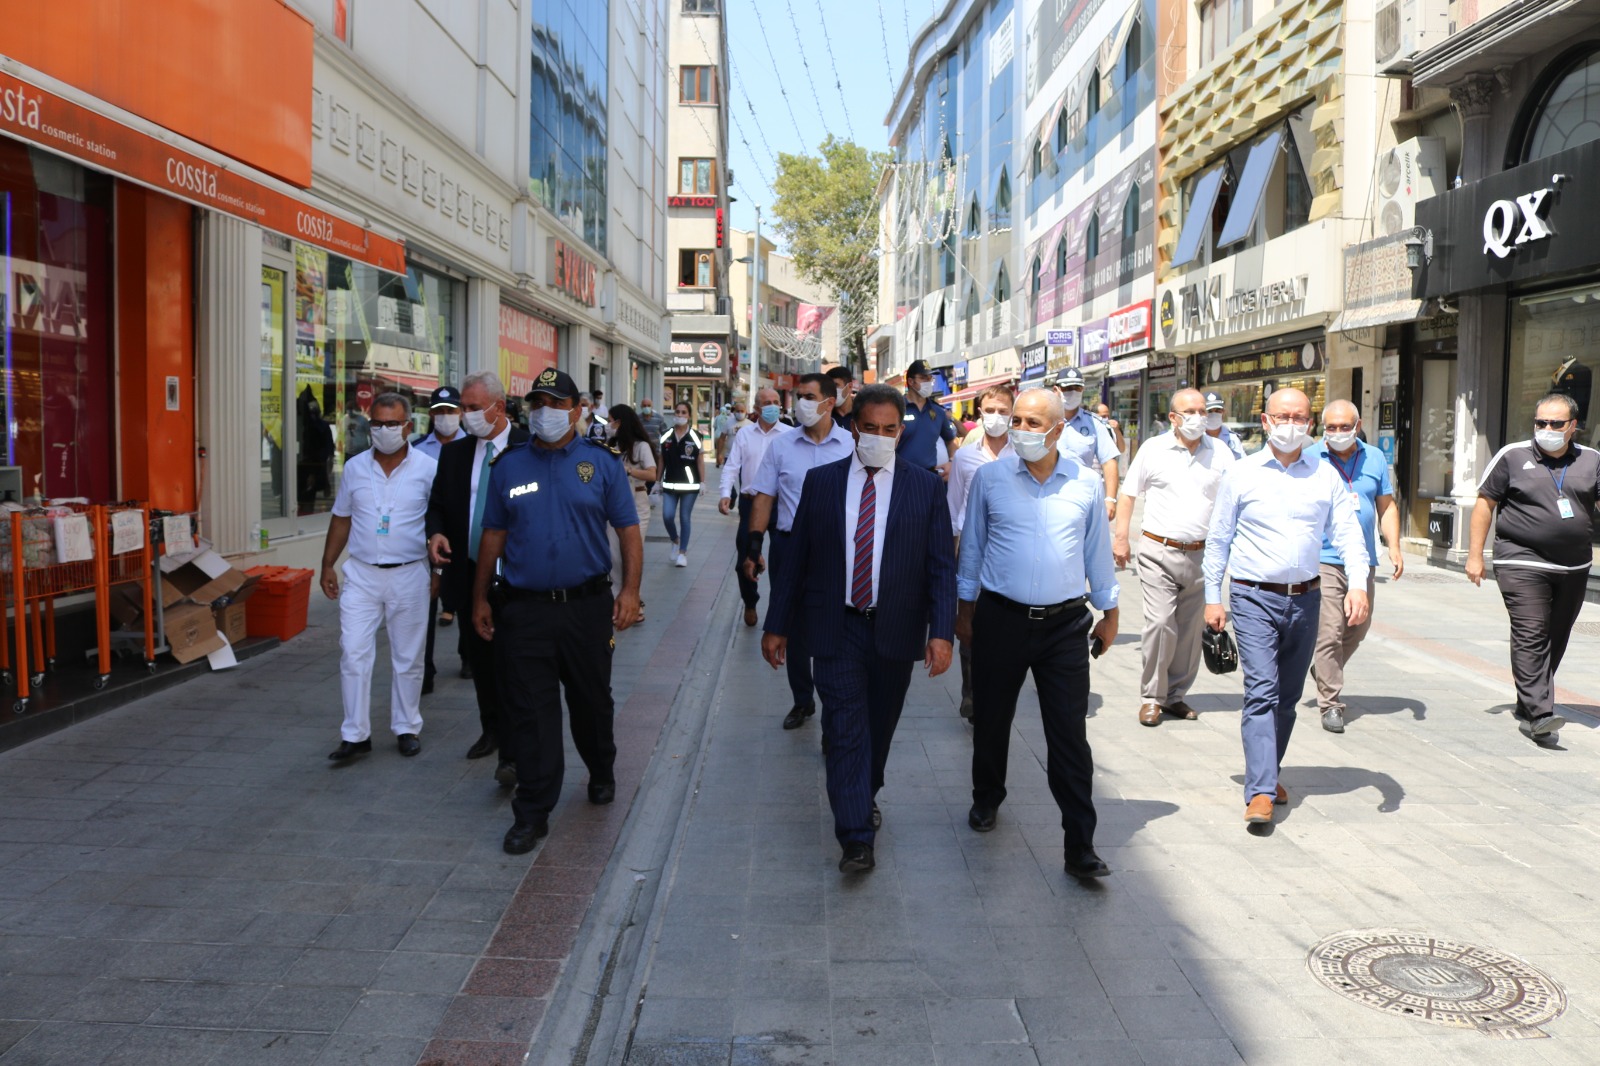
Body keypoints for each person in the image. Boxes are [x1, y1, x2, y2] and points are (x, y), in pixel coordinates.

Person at [762, 384, 955, 872]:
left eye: (890, 430)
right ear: (853, 428)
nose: (879, 437)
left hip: (896, 627)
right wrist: (777, 624)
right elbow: (796, 560)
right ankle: (855, 837)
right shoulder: (822, 482)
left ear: (900, 433)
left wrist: (941, 633)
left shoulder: (925, 488)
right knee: (845, 727)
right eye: (870, 428)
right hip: (836, 626)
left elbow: (940, 568)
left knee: (879, 727)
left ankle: (865, 792)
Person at [473, 368, 641, 854]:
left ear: (577, 410)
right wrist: (479, 597)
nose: (544, 411)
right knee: (532, 713)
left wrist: (631, 591)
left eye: (555, 403)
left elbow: (628, 530)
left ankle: (601, 767)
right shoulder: (508, 465)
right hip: (524, 612)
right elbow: (493, 535)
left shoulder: (601, 463)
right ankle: (532, 811)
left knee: (592, 703)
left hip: (586, 608)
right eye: (537, 403)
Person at [957, 387, 1121, 879]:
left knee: (1069, 736)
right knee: (991, 719)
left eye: (1033, 423)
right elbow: (973, 546)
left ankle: (1080, 845)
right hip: (1000, 618)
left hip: (1064, 626)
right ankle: (987, 796)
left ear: (1058, 429)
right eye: (1018, 421)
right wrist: (964, 609)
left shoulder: (1086, 483)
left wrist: (1109, 611)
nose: (1022, 430)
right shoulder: (990, 479)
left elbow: (1097, 551)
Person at [1202, 388, 1369, 826]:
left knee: (1289, 698)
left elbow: (1348, 532)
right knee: (1262, 690)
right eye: (1282, 416)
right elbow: (1218, 539)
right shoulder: (1242, 473)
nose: (1291, 424)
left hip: (1307, 599)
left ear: (1309, 424)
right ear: (1265, 421)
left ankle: (1268, 769)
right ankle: (1259, 791)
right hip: (1253, 596)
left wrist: (1358, 584)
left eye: (1299, 417)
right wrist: (1212, 597)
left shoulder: (1325, 475)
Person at [1466, 393, 1600, 742]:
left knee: (1556, 634)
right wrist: (1475, 555)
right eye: (1541, 422)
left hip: (1574, 565)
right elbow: (1484, 504)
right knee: (1531, 631)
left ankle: (1529, 698)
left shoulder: (1591, 460)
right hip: (1520, 559)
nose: (1547, 429)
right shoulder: (1512, 456)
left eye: (1556, 423)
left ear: (1573, 426)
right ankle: (1540, 714)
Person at [321, 392, 436, 762]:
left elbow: (439, 523)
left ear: (408, 426)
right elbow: (341, 517)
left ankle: (406, 727)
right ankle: (355, 734)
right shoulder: (355, 467)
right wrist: (327, 564)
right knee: (353, 652)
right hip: (362, 574)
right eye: (377, 424)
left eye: (392, 424)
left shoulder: (427, 468)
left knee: (409, 657)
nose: (384, 430)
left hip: (409, 573)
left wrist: (438, 571)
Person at [425, 372, 529, 785]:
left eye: (471, 408)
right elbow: (437, 504)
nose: (464, 415)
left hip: (518, 573)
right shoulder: (455, 454)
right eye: (462, 408)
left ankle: (516, 751)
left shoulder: (528, 447)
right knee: (481, 659)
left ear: (498, 407)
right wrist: (435, 532)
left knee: (515, 662)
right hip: (469, 573)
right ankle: (492, 729)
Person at [1112, 388, 1235, 727]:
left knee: (1190, 631)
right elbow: (1128, 494)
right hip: (1158, 551)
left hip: (1202, 555)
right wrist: (1121, 538)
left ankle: (1175, 695)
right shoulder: (1153, 449)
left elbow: (1234, 500)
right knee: (1161, 623)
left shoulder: (1221, 452)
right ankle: (1152, 697)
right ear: (1173, 418)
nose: (1199, 417)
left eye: (1203, 411)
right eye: (1190, 411)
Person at [746, 373, 855, 730]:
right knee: (789, 621)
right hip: (789, 545)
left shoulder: (850, 445)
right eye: (798, 396)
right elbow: (765, 496)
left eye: (808, 396)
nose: (800, 403)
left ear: (829, 402)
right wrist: (754, 544)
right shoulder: (782, 446)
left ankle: (833, 705)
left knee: (831, 624)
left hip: (835, 549)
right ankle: (802, 699)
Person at [1307, 400, 1404, 734]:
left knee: (1358, 626)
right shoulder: (1310, 457)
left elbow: (1386, 506)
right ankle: (1330, 703)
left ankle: (1324, 669)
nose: (1337, 433)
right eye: (1330, 427)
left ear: (1358, 426)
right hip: (1323, 557)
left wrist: (1394, 546)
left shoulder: (1374, 457)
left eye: (1344, 427)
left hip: (1362, 559)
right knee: (1330, 630)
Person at [945, 384, 1015, 720]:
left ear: (1012, 414)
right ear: (980, 412)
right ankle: (970, 693)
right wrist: (951, 555)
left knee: (1005, 624)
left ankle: (997, 690)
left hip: (1010, 552)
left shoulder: (1022, 455)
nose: (996, 416)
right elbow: (954, 507)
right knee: (968, 620)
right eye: (990, 410)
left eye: (1003, 410)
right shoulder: (964, 457)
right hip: (972, 551)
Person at [721, 387, 795, 627]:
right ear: (756, 408)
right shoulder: (744, 434)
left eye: (776, 401)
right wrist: (725, 494)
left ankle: (779, 610)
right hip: (750, 504)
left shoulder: (790, 435)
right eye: (767, 402)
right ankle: (750, 601)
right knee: (745, 557)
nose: (773, 406)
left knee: (782, 560)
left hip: (780, 505)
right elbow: (732, 466)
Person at [413, 385, 465, 688]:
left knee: (466, 598)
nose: (445, 416)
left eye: (451, 411)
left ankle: (469, 657)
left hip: (463, 534)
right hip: (429, 535)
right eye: (439, 411)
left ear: (461, 413)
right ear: (431, 415)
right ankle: (425, 671)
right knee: (426, 603)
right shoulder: (417, 449)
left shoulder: (474, 446)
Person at [1051, 369, 1120, 520]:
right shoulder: (1044, 420)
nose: (1073, 392)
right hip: (1047, 496)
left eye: (1077, 388)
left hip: (1082, 498)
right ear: (1056, 390)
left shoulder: (1095, 424)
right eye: (1067, 388)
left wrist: (1110, 499)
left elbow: (1109, 461)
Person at [659, 401, 705, 568]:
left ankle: (682, 553)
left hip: (689, 486)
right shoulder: (665, 435)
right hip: (670, 484)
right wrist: (657, 481)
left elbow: (700, 461)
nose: (680, 415)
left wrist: (703, 482)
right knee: (667, 516)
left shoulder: (696, 436)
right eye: (677, 412)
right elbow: (661, 460)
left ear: (689, 415)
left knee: (685, 517)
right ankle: (675, 539)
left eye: (683, 412)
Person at [899, 359, 957, 476]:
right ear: (911, 381)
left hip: (929, 476)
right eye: (923, 378)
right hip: (900, 475)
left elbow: (951, 442)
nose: (928, 382)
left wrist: (951, 462)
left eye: (930, 378)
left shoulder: (938, 412)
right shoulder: (897, 408)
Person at [1204, 392, 1248, 460]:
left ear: (1223, 412)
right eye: (1209, 411)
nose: (1214, 414)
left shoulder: (1233, 438)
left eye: (1218, 411)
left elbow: (1243, 462)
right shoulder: (1196, 439)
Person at [1096, 403, 1131, 471]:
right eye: (1103, 416)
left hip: (1109, 470)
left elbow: (1122, 449)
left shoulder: (1111, 429)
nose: (1106, 418)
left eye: (1108, 416)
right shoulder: (1088, 431)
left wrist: (1117, 430)